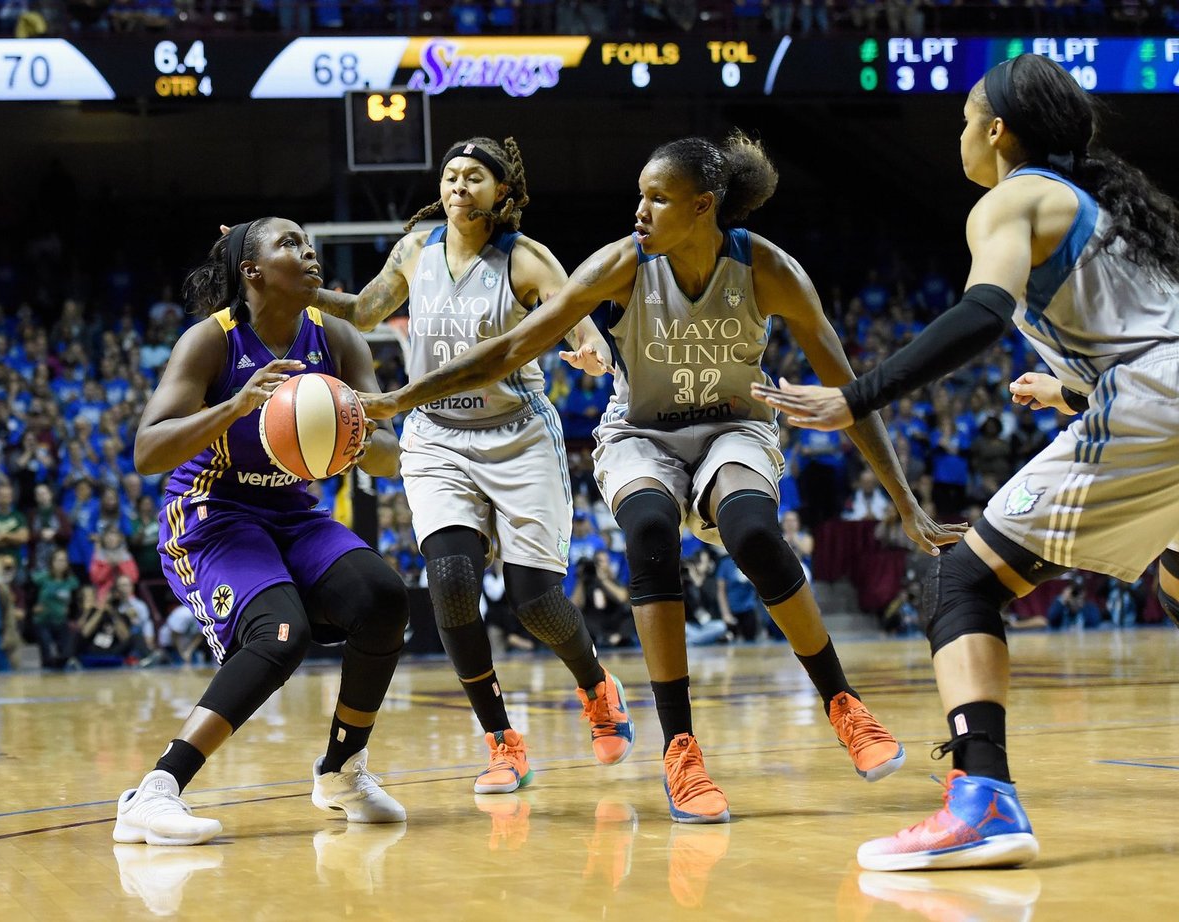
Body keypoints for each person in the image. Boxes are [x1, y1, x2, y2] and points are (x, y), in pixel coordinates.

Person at [357, 131, 962, 823]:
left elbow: (848, 391)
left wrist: (906, 502)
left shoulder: (769, 271)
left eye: (657, 198)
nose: (639, 211)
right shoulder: (621, 264)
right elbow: (513, 347)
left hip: (732, 430)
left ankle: (843, 703)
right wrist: (402, 400)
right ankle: (680, 748)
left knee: (756, 534)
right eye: (638, 196)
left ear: (703, 206)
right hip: (639, 434)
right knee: (649, 530)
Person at [753, 54, 1179, 869]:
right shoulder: (1105, 210)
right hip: (1158, 397)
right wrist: (1072, 391)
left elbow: (983, 312)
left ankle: (983, 801)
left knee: (962, 580)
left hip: (1156, 406)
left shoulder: (1012, 198)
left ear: (995, 131)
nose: (958, 135)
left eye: (964, 119)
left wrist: (857, 397)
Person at [313, 137, 635, 794]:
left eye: (474, 177)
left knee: (536, 603)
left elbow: (579, 320)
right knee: (451, 580)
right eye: (451, 175)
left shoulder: (524, 258)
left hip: (519, 437)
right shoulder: (415, 249)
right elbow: (367, 309)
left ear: (504, 193)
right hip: (437, 437)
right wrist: (304, 291)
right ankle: (501, 740)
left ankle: (597, 686)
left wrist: (590, 347)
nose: (459, 184)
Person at [113, 217, 410, 847]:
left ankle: (341, 772)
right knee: (279, 632)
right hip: (211, 514)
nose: (308, 253)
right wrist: (235, 406)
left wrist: (352, 429)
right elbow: (146, 449)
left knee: (383, 597)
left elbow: (390, 457)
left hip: (293, 512)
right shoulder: (210, 342)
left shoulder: (339, 339)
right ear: (251, 272)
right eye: (289, 245)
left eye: (309, 243)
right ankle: (155, 791)